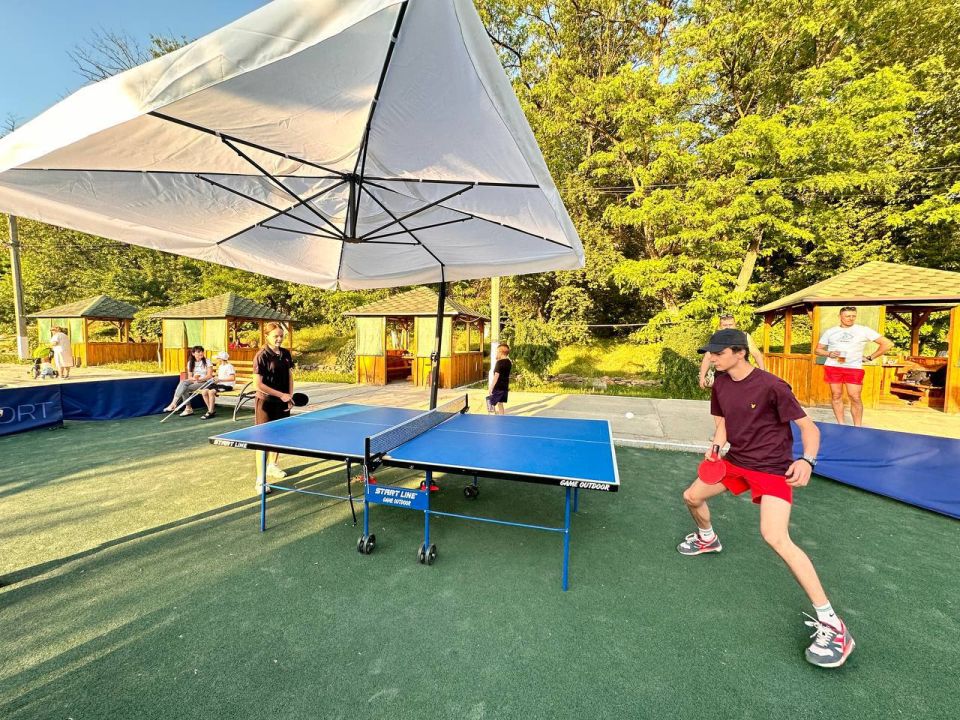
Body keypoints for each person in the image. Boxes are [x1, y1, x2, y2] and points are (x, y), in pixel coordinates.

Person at [678, 328, 854, 668]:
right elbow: (724, 424)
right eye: (710, 353)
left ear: (739, 352)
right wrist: (716, 448)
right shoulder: (721, 383)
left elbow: (809, 429)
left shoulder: (773, 386)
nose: (711, 358)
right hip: (735, 463)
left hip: (773, 469)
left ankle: (833, 623)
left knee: (775, 536)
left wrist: (807, 460)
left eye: (717, 352)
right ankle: (707, 539)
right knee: (691, 497)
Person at [815, 306, 894, 426]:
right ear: (840, 317)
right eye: (847, 316)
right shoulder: (830, 331)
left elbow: (887, 344)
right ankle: (840, 424)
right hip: (833, 367)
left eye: (853, 316)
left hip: (853, 368)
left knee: (855, 396)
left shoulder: (863, 330)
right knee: (836, 395)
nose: (851, 318)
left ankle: (858, 427)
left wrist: (870, 357)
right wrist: (829, 353)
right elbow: (818, 350)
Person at [253, 322, 295, 492]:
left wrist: (289, 396)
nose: (279, 339)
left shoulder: (285, 353)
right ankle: (260, 481)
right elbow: (258, 384)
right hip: (266, 403)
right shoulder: (261, 355)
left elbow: (290, 375)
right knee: (263, 442)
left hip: (282, 402)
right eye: (275, 336)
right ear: (267, 337)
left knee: (279, 437)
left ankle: (273, 465)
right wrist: (281, 395)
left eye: (281, 336)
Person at [699, 313, 764, 389]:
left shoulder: (744, 337)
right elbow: (707, 358)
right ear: (720, 326)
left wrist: (762, 373)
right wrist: (702, 377)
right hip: (722, 374)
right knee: (722, 398)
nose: (728, 327)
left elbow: (757, 354)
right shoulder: (717, 338)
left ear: (735, 325)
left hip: (742, 374)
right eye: (725, 325)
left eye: (730, 325)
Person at [163, 346, 213, 416]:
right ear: (193, 353)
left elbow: (209, 376)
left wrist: (200, 379)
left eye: (202, 351)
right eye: (198, 352)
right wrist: (195, 379)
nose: (201, 353)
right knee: (183, 382)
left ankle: (187, 408)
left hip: (206, 382)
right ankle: (174, 404)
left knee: (184, 388)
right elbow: (190, 377)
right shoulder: (190, 363)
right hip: (195, 381)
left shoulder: (207, 361)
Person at [199, 351, 236, 419]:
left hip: (228, 386)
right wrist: (215, 379)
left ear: (221, 359)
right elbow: (220, 377)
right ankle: (210, 410)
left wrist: (220, 380)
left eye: (218, 358)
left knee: (211, 392)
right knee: (204, 391)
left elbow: (232, 378)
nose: (217, 360)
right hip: (220, 384)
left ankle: (210, 411)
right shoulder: (221, 366)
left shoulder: (229, 366)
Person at [487, 343, 512, 415]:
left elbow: (496, 376)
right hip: (504, 387)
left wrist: (491, 387)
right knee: (500, 404)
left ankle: (491, 418)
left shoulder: (499, 362)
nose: (496, 353)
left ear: (501, 352)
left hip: (498, 387)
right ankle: (502, 417)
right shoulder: (509, 362)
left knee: (491, 403)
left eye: (497, 351)